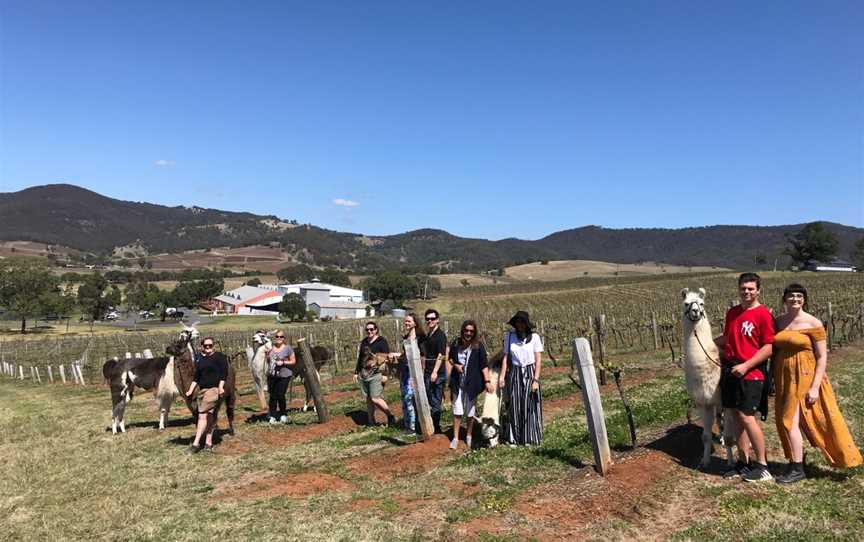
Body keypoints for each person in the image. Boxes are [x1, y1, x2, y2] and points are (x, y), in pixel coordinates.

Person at [772, 284, 862, 483]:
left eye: (799, 296)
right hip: (784, 377)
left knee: (792, 420)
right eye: (791, 296)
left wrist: (814, 387)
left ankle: (797, 468)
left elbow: (822, 357)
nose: (795, 299)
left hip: (805, 375)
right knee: (784, 420)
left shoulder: (813, 323)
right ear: (784, 299)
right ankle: (796, 460)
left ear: (804, 300)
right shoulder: (778, 322)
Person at [715, 272, 775, 482]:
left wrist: (746, 365)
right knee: (735, 417)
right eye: (743, 288)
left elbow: (768, 347)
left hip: (752, 373)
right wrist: (704, 343)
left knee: (748, 417)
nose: (746, 292)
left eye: (751, 288)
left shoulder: (763, 315)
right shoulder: (732, 313)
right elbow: (728, 338)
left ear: (758, 290)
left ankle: (763, 466)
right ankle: (744, 463)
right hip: (731, 371)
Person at [499, 311, 544, 446]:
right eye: (518, 322)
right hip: (515, 372)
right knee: (515, 404)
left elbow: (538, 359)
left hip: (530, 372)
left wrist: (535, 380)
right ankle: (516, 438)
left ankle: (529, 437)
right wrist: (502, 376)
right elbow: (506, 357)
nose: (520, 325)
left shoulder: (535, 337)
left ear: (527, 324)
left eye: (522, 322)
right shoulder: (509, 336)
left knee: (529, 403)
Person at [447, 320, 494, 449]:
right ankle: (455, 438)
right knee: (457, 411)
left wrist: (487, 382)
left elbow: (484, 366)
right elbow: (450, 358)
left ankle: (469, 436)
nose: (468, 333)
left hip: (472, 384)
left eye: (471, 331)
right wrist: (456, 365)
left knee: (470, 412)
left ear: (474, 333)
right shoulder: (456, 344)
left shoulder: (478, 346)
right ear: (462, 330)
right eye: (466, 330)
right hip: (457, 383)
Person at [185, 336, 228, 453]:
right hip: (202, 391)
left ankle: (195, 443)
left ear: (213, 346)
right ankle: (208, 443)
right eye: (206, 346)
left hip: (213, 390)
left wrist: (220, 387)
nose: (208, 347)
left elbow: (224, 374)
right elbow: (196, 377)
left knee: (202, 415)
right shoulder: (200, 359)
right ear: (202, 347)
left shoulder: (219, 357)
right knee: (209, 416)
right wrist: (190, 390)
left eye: (210, 345)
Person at [389, 313, 426, 434]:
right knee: (405, 398)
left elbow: (423, 357)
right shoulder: (406, 338)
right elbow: (406, 355)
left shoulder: (421, 338)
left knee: (410, 398)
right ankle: (408, 425)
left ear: (415, 323)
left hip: (415, 373)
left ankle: (414, 426)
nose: (406, 323)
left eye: (409, 321)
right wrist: (396, 355)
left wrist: (423, 372)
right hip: (405, 372)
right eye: (405, 321)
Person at [354, 321, 396, 427]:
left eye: (371, 329)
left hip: (377, 373)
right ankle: (371, 422)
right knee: (368, 398)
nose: (369, 331)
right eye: (367, 330)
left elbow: (387, 358)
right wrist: (356, 372)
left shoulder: (381, 341)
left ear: (376, 330)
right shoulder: (364, 342)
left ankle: (390, 415)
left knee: (375, 398)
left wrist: (386, 375)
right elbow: (360, 358)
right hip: (365, 374)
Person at [423, 308, 448, 434]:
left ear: (437, 320)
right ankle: (431, 425)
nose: (430, 321)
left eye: (432, 318)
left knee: (435, 400)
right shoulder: (428, 335)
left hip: (436, 374)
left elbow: (441, 355)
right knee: (430, 399)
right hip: (427, 372)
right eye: (427, 319)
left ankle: (437, 428)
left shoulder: (440, 336)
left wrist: (435, 372)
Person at [266, 330, 296, 424]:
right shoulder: (270, 348)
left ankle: (283, 414)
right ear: (274, 338)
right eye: (277, 337)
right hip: (272, 375)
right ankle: (273, 415)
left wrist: (283, 362)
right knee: (272, 396)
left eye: (281, 337)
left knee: (280, 395)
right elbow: (267, 360)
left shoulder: (288, 348)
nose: (279, 338)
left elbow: (293, 361)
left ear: (284, 338)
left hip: (284, 375)